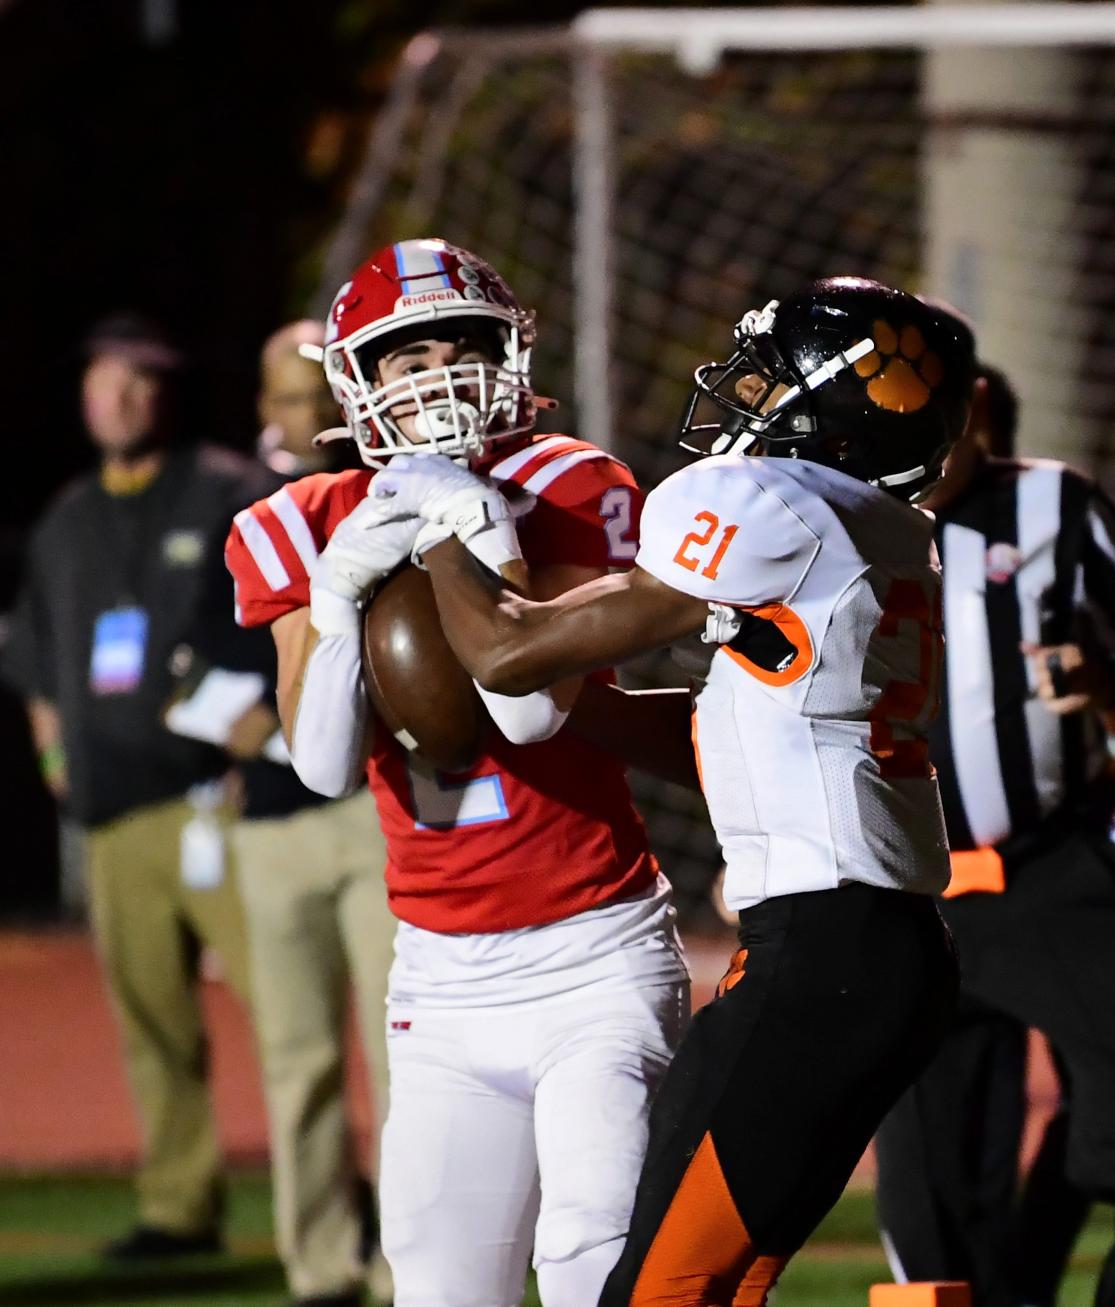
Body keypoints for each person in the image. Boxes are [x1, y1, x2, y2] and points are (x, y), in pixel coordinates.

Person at [359, 276, 978, 1305]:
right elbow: (718, 716)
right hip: (896, 953)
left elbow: (508, 652)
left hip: (818, 958)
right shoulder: (881, 528)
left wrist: (447, 522)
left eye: (772, 376)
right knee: (726, 1284)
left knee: (652, 1291)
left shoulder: (765, 500)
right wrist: (577, 699)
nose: (744, 395)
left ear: (839, 397)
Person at [224, 239, 690, 1307]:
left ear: (507, 355)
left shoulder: (568, 480)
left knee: (592, 1261)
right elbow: (326, 759)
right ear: (359, 380)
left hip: (594, 953)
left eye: (458, 343)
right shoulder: (300, 521)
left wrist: (474, 526)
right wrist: (340, 595)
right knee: (439, 1284)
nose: (434, 371)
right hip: (438, 976)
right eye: (405, 353)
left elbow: (529, 710)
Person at [872, 360, 1115, 1307]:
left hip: (1049, 870)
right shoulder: (821, 514)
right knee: (929, 1191)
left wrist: (1110, 674)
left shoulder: (1053, 504)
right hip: (906, 896)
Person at [1, 313, 271, 1257]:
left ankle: (337, 1193)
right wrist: (56, 767)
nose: (119, 397)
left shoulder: (229, 492)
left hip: (221, 806)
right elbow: (35, 664)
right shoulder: (66, 522)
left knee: (289, 1009)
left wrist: (259, 757)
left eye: (139, 380)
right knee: (152, 1023)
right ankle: (179, 1205)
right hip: (113, 818)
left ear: (167, 393)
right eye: (104, 379)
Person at [173, 320, 393, 1307]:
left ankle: (409, 1261)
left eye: (329, 393)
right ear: (269, 409)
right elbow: (182, 673)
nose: (317, 413)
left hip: (375, 812)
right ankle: (319, 1266)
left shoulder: (380, 499)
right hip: (272, 821)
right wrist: (274, 724)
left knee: (404, 1049)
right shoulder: (236, 508)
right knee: (297, 1056)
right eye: (298, 395)